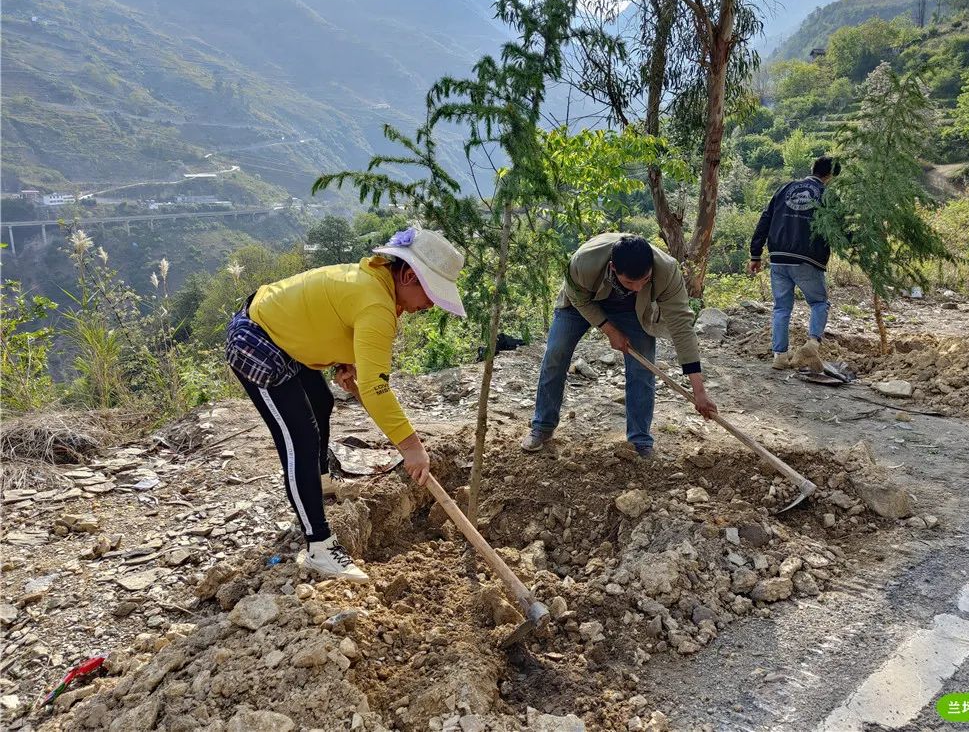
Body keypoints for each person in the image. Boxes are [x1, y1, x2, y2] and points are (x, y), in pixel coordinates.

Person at [225, 226, 465, 581]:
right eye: (431, 296)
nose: (429, 306)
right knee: (299, 440)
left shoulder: (374, 282)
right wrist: (412, 447)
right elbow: (376, 388)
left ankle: (317, 483)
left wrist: (347, 360)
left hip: (283, 334)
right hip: (259, 344)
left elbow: (330, 319)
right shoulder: (376, 304)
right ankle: (319, 545)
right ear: (410, 276)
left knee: (320, 401)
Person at [521, 233, 717, 458]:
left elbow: (682, 327)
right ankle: (542, 427)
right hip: (581, 304)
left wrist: (699, 392)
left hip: (632, 311)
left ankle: (640, 440)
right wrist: (610, 330)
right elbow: (579, 298)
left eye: (644, 281)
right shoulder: (584, 261)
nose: (636, 288)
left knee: (642, 369)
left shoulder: (667, 270)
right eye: (629, 282)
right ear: (613, 268)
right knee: (556, 353)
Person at [747, 156, 840, 373]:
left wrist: (755, 255)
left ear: (812, 168)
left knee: (781, 308)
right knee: (819, 303)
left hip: (778, 256)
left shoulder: (784, 188)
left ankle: (779, 356)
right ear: (831, 176)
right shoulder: (827, 195)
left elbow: (765, 219)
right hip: (807, 258)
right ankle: (812, 343)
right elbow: (838, 227)